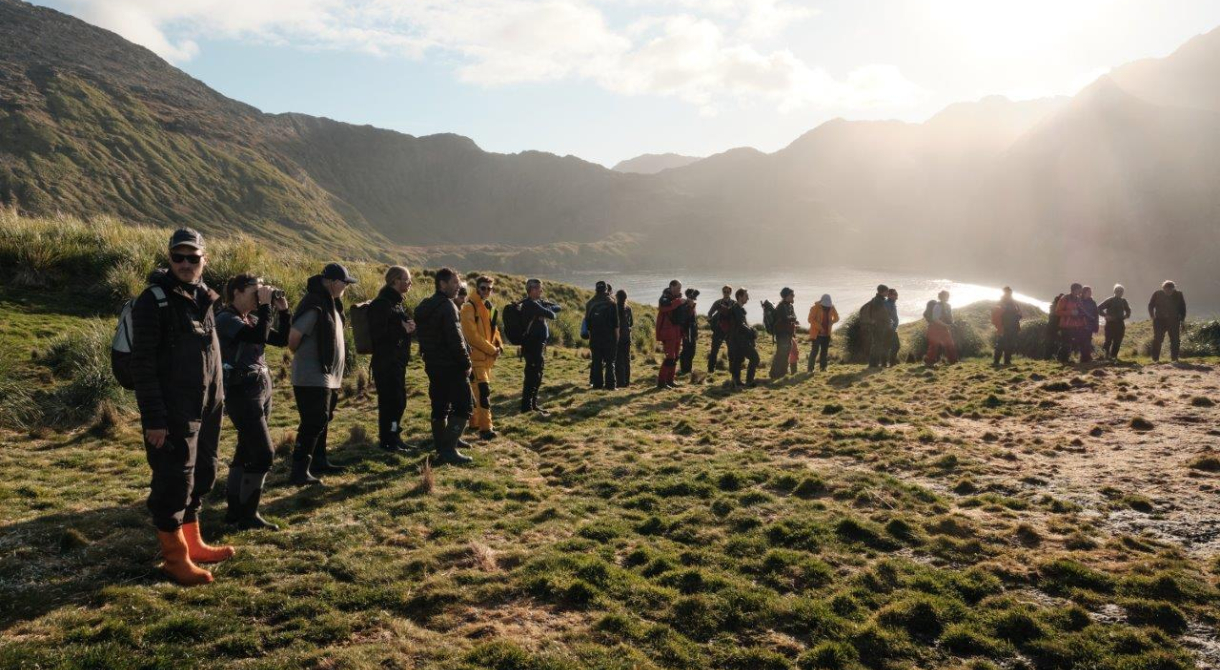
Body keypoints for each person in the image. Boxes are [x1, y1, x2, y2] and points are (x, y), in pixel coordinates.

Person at [131, 228, 231, 585]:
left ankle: (194, 542)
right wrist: (154, 419)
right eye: (179, 257)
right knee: (174, 480)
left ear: (205, 260)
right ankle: (175, 558)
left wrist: (217, 401)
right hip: (173, 412)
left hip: (206, 408)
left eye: (193, 257)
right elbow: (142, 366)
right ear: (169, 258)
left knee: (203, 473)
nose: (186, 264)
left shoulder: (203, 297)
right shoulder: (153, 301)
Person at [217, 274, 290, 532]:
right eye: (256, 290)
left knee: (246, 448)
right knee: (263, 453)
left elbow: (280, 340)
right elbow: (258, 336)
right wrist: (266, 305)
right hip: (241, 390)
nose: (260, 294)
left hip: (260, 387)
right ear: (237, 291)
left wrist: (284, 312)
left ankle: (235, 512)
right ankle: (248, 515)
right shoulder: (226, 319)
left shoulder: (250, 318)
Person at [288, 263, 357, 486]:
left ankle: (318, 461)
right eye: (345, 282)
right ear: (333, 282)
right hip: (311, 375)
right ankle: (298, 470)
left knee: (322, 419)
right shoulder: (315, 304)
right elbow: (293, 338)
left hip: (327, 376)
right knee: (313, 420)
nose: (346, 286)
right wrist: (308, 359)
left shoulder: (330, 303)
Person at [415, 268, 475, 465]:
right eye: (455, 282)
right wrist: (466, 363)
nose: (459, 286)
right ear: (442, 284)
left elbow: (423, 336)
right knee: (464, 406)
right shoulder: (448, 306)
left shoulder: (425, 305)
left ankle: (443, 444)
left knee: (439, 406)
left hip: (433, 364)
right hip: (451, 366)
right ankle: (448, 450)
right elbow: (455, 340)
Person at [368, 266, 416, 454]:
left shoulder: (395, 303)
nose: (409, 283)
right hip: (386, 362)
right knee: (391, 402)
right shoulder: (381, 304)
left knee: (398, 401)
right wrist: (403, 329)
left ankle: (394, 436)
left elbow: (395, 327)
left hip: (396, 361)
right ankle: (388, 440)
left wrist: (408, 327)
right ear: (395, 281)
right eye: (406, 279)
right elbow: (378, 334)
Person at [460, 275, 503, 440]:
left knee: (477, 392)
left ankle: (475, 422)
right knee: (483, 392)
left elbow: (494, 330)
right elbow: (471, 336)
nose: (486, 291)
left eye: (489, 288)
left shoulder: (489, 307)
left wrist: (499, 346)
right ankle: (486, 429)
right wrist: (492, 349)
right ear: (477, 288)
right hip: (475, 358)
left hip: (487, 359)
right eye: (483, 288)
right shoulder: (469, 307)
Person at [520, 278, 562, 414]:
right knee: (532, 375)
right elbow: (552, 315)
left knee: (538, 374)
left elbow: (557, 307)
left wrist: (545, 309)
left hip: (539, 344)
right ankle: (527, 407)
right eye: (538, 288)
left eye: (540, 287)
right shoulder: (529, 305)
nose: (541, 290)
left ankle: (533, 404)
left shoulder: (538, 303)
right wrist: (545, 310)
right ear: (530, 290)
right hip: (531, 345)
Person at [584, 280, 619, 390]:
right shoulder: (612, 303)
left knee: (597, 361)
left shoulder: (589, 303)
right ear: (606, 290)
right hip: (609, 337)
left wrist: (591, 337)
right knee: (610, 362)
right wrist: (616, 339)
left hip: (595, 336)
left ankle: (597, 385)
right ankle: (610, 385)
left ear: (596, 290)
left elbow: (588, 323)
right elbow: (616, 324)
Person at [655, 280, 687, 389]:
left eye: (680, 288)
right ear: (671, 287)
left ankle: (670, 380)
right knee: (670, 358)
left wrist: (691, 305)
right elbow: (664, 307)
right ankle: (661, 382)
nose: (679, 290)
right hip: (667, 332)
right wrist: (679, 301)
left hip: (677, 331)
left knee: (676, 357)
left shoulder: (678, 298)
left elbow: (684, 314)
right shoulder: (664, 298)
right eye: (678, 288)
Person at [727, 288, 759, 389]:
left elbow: (742, 324)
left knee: (738, 360)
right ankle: (748, 381)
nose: (748, 298)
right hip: (739, 340)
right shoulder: (736, 308)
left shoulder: (738, 308)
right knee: (755, 358)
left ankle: (736, 381)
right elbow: (740, 325)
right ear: (740, 297)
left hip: (736, 340)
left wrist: (751, 330)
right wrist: (751, 333)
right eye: (746, 296)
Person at [1148, 280, 1188, 363]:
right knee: (1158, 339)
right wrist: (1152, 315)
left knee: (1175, 340)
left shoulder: (1178, 294)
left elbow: (1182, 307)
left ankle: (1174, 358)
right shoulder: (1157, 294)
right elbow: (1151, 305)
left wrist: (1182, 319)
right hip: (1159, 320)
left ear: (1174, 289)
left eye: (1171, 290)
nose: (1169, 292)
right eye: (1167, 290)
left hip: (1174, 321)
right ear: (1163, 289)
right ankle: (1155, 359)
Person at [1054, 283, 1091, 364]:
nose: (1081, 291)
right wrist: (1071, 312)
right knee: (1066, 344)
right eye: (1080, 289)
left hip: (1078, 325)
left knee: (1083, 342)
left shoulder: (1078, 299)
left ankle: (1084, 360)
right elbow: (1057, 312)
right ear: (1075, 289)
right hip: (1066, 326)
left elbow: (1081, 312)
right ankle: (1062, 360)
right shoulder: (1065, 299)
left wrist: (1084, 323)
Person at [769, 287, 798, 379]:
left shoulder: (790, 306)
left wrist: (792, 318)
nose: (793, 296)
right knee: (781, 354)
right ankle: (774, 374)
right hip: (781, 334)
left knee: (786, 354)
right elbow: (787, 318)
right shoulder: (781, 306)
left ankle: (782, 373)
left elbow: (794, 317)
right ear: (786, 296)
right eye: (791, 295)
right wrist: (792, 318)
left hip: (788, 333)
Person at [924, 290, 959, 365]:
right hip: (935, 328)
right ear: (941, 297)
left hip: (944, 327)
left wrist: (952, 323)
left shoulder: (948, 306)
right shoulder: (937, 306)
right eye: (946, 296)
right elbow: (935, 319)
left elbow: (950, 317)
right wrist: (946, 325)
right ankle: (929, 363)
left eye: (947, 296)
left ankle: (953, 362)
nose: (947, 297)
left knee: (949, 344)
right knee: (934, 345)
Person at [806, 294, 839, 373]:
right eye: (825, 306)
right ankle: (810, 369)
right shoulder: (814, 308)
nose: (827, 307)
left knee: (824, 352)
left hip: (827, 334)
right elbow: (810, 320)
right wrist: (820, 328)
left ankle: (823, 368)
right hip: (816, 334)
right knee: (814, 351)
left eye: (828, 306)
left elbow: (837, 318)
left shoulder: (832, 307)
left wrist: (832, 322)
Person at [1098, 285, 1131, 360]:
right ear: (1114, 292)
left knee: (1118, 341)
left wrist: (1126, 316)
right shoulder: (1110, 300)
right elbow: (1099, 308)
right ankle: (1104, 356)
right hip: (1110, 324)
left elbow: (1128, 310)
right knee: (1108, 341)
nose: (1120, 293)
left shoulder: (1123, 301)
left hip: (1120, 324)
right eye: (1118, 291)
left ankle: (1114, 357)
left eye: (1121, 291)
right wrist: (1106, 315)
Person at [990, 287, 1022, 366]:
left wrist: (1018, 316)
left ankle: (1007, 361)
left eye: (1010, 293)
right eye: (1008, 292)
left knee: (1010, 344)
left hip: (1013, 326)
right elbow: (996, 315)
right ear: (1005, 293)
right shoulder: (1001, 303)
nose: (1009, 294)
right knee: (1001, 344)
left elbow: (1019, 314)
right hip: (1004, 327)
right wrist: (999, 326)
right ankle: (996, 361)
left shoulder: (1013, 303)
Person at [706, 285, 734, 373]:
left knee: (732, 350)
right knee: (714, 350)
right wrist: (712, 324)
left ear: (730, 293)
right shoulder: (717, 303)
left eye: (728, 292)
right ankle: (710, 370)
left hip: (730, 330)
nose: (726, 293)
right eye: (724, 292)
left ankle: (732, 369)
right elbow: (710, 313)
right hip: (718, 330)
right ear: (722, 292)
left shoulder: (734, 303)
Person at [862, 285, 891, 368]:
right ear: (883, 292)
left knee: (876, 344)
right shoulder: (879, 301)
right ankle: (873, 364)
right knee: (877, 345)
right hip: (879, 326)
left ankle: (874, 363)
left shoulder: (876, 300)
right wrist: (889, 321)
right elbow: (883, 314)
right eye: (887, 291)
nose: (887, 293)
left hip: (876, 325)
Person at [678, 288, 700, 375]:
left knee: (691, 350)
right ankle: (685, 369)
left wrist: (696, 332)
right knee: (687, 350)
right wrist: (690, 306)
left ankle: (687, 368)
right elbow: (686, 318)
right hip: (687, 331)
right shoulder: (685, 306)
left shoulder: (691, 305)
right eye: (692, 296)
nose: (693, 298)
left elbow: (694, 320)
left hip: (692, 331)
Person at [615, 289, 634, 386]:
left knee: (618, 360)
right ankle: (627, 382)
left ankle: (620, 382)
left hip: (617, 337)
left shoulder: (614, 308)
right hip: (627, 336)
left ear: (616, 297)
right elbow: (631, 323)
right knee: (627, 360)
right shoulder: (628, 308)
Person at [885, 288, 900, 367]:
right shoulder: (887, 304)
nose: (896, 297)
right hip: (889, 329)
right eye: (895, 294)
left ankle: (891, 363)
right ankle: (891, 363)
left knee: (892, 346)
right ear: (889, 295)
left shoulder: (892, 303)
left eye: (896, 294)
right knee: (896, 346)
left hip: (892, 328)